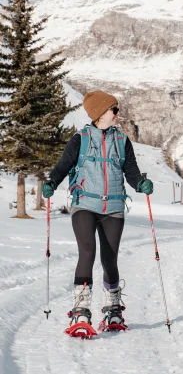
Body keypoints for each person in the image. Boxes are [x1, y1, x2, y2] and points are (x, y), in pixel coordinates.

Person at [43, 90, 154, 337]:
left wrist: (140, 184)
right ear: (100, 113)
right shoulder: (80, 139)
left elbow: (132, 172)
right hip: (84, 204)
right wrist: (51, 181)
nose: (118, 114)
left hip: (113, 207)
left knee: (109, 259)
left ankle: (113, 308)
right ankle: (80, 310)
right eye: (114, 109)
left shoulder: (122, 141)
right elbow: (63, 166)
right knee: (88, 252)